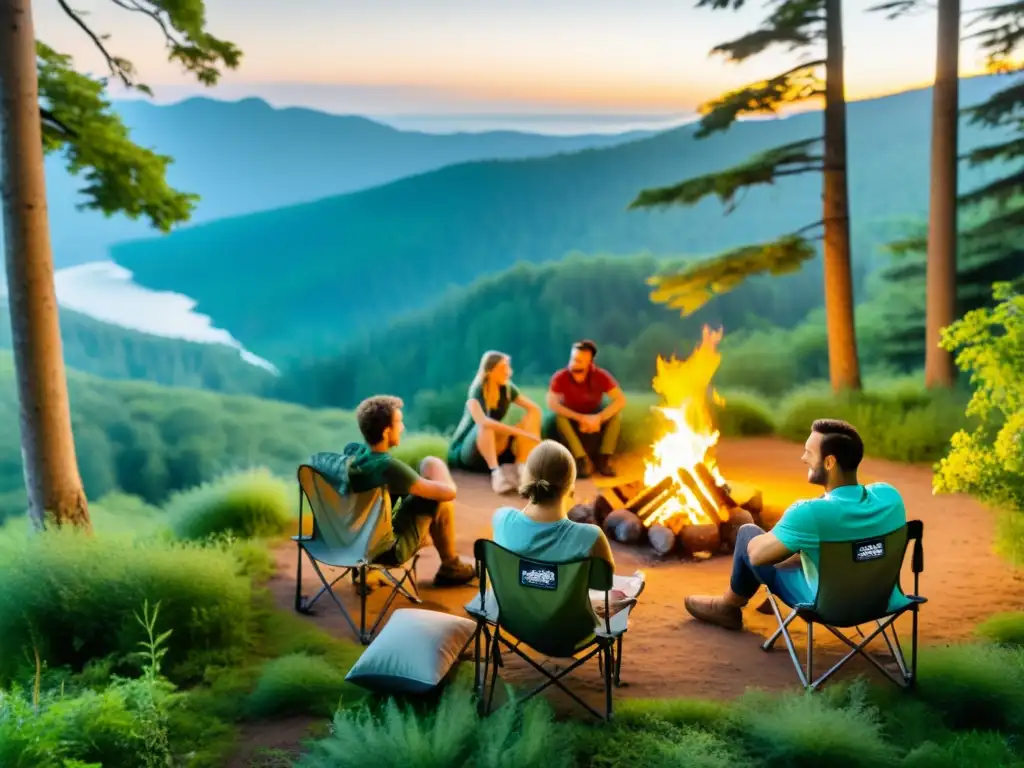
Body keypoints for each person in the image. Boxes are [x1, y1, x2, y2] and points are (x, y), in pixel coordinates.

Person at [683, 419, 908, 630]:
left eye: (809, 453)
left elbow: (757, 556)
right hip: (880, 601)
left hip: (828, 607)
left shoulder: (808, 513)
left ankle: (728, 606)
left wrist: (782, 536)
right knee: (814, 547)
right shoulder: (890, 496)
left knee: (747, 534)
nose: (803, 458)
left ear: (829, 462)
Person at [492, 439, 644, 615]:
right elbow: (602, 585)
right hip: (569, 627)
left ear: (526, 480)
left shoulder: (501, 518)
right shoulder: (590, 536)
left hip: (515, 616)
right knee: (621, 590)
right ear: (571, 488)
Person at [338, 395, 475, 586]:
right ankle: (451, 567)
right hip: (388, 551)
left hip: (350, 542)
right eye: (399, 422)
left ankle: (451, 564)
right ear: (386, 432)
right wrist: (439, 469)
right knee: (437, 500)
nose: (402, 428)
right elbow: (448, 493)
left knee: (422, 492)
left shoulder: (354, 454)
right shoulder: (388, 467)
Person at [447, 350, 542, 494]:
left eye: (507, 367)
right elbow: (483, 422)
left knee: (533, 413)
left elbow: (534, 409)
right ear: (490, 371)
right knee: (486, 425)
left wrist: (528, 434)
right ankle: (496, 474)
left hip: (493, 445)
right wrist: (521, 432)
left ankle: (522, 468)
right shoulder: (476, 391)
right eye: (503, 368)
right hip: (470, 453)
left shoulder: (507, 389)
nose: (508, 372)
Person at [544, 340, 627, 479]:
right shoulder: (560, 377)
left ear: (590, 363)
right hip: (571, 415)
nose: (574, 364)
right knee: (560, 417)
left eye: (579, 361)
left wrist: (599, 418)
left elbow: (620, 400)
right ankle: (581, 460)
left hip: (594, 413)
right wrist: (580, 418)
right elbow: (552, 404)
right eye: (573, 359)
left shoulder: (601, 376)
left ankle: (604, 460)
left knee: (616, 416)